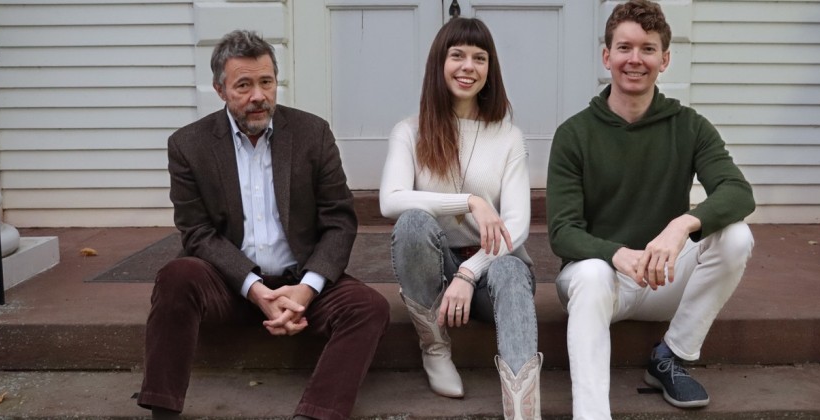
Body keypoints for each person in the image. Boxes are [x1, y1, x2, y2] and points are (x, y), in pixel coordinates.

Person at [137, 30, 390, 420]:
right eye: (244, 85)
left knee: (369, 307)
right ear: (220, 90)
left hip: (299, 281)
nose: (259, 95)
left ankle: (317, 413)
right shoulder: (189, 145)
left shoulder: (312, 134)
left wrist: (306, 290)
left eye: (267, 82)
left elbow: (339, 221)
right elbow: (197, 232)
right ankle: (163, 409)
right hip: (228, 285)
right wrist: (255, 290)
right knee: (176, 276)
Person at [546, 1, 756, 418]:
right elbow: (562, 232)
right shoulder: (575, 134)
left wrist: (682, 225)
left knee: (736, 236)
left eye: (648, 49)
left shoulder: (689, 126)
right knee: (591, 273)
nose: (635, 59)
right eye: (624, 48)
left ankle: (671, 356)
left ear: (665, 59)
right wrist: (615, 254)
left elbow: (738, 192)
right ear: (606, 56)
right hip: (601, 284)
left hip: (663, 277)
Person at [379, 17, 542, 420]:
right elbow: (390, 201)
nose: (468, 66)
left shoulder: (507, 136)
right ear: (439, 63)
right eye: (457, 55)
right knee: (412, 223)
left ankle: (524, 411)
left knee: (510, 268)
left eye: (479, 58)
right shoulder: (409, 131)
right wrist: (469, 201)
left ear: (490, 69)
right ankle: (435, 348)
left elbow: (517, 226)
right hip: (435, 272)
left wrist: (469, 274)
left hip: (490, 272)